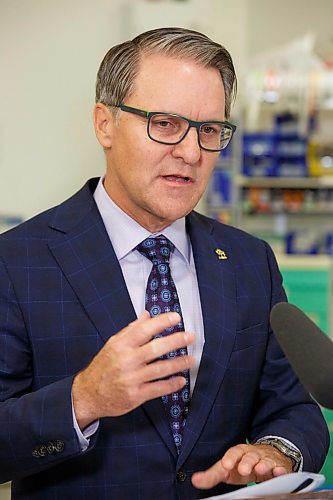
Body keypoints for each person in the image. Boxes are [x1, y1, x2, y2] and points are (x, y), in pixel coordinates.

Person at [0, 26, 329, 500]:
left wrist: (276, 451)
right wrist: (84, 399)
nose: (191, 152)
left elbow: (295, 407)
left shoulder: (249, 261)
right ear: (104, 124)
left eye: (210, 131)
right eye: (166, 124)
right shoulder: (17, 262)